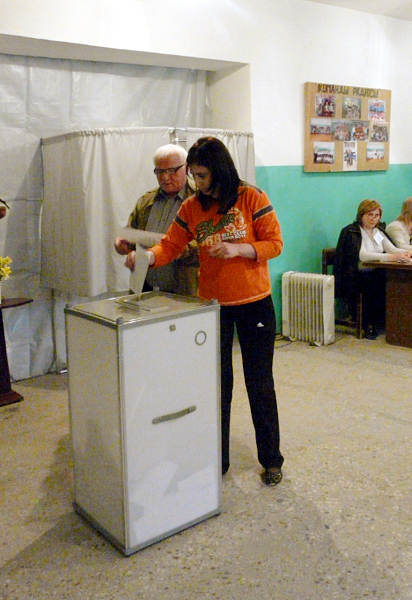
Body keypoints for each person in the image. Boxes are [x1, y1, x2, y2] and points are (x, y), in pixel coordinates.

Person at [125, 137, 284, 486]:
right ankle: (218, 459)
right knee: (217, 386)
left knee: (259, 383)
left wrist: (240, 249)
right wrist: (147, 257)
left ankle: (271, 460)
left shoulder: (251, 197)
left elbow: (275, 243)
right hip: (213, 308)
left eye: (202, 175)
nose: (197, 183)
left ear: (220, 170)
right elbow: (171, 245)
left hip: (255, 303)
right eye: (194, 176)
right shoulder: (192, 207)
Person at [114, 144, 198, 295]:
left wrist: (173, 249)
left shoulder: (201, 200)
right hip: (146, 289)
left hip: (185, 293)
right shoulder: (146, 201)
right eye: (159, 171)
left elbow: (208, 245)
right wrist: (123, 243)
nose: (165, 177)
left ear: (186, 168)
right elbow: (131, 234)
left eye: (171, 170)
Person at [334, 199, 412, 340]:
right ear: (361, 215)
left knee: (391, 279)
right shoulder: (353, 232)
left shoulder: (377, 232)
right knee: (375, 282)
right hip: (355, 275)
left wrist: (406, 253)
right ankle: (368, 323)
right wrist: (390, 257)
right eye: (370, 215)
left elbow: (391, 249)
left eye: (377, 215)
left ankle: (389, 321)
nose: (374, 218)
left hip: (374, 271)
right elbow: (363, 256)